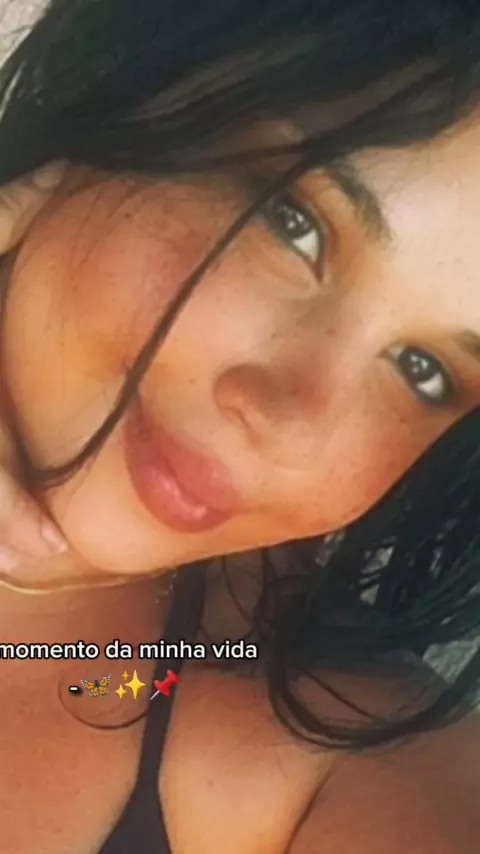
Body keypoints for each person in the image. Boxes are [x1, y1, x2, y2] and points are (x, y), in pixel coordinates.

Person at [0, 1, 479, 851]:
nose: (290, 423)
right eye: (295, 224)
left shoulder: (337, 761)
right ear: (132, 80)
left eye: (423, 370)